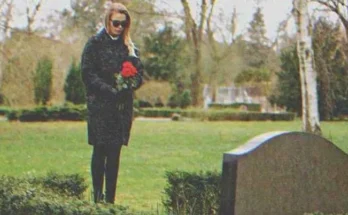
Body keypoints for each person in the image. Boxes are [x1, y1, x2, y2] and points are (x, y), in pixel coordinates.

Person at [80, 2, 143, 204]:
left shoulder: (129, 47)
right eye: (116, 23)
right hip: (100, 105)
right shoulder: (94, 44)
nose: (119, 27)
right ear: (108, 21)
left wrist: (128, 84)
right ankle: (98, 198)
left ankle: (110, 201)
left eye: (123, 24)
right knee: (100, 150)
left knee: (114, 153)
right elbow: (87, 74)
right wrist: (108, 90)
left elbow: (139, 75)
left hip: (120, 108)